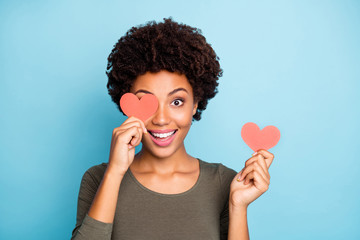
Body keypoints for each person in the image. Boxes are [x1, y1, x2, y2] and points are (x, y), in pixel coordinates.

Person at [71, 17, 274, 240]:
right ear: (129, 105)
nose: (161, 119)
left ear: (195, 103)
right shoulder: (98, 178)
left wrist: (238, 206)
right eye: (147, 102)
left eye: (176, 102)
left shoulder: (225, 182)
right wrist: (115, 173)